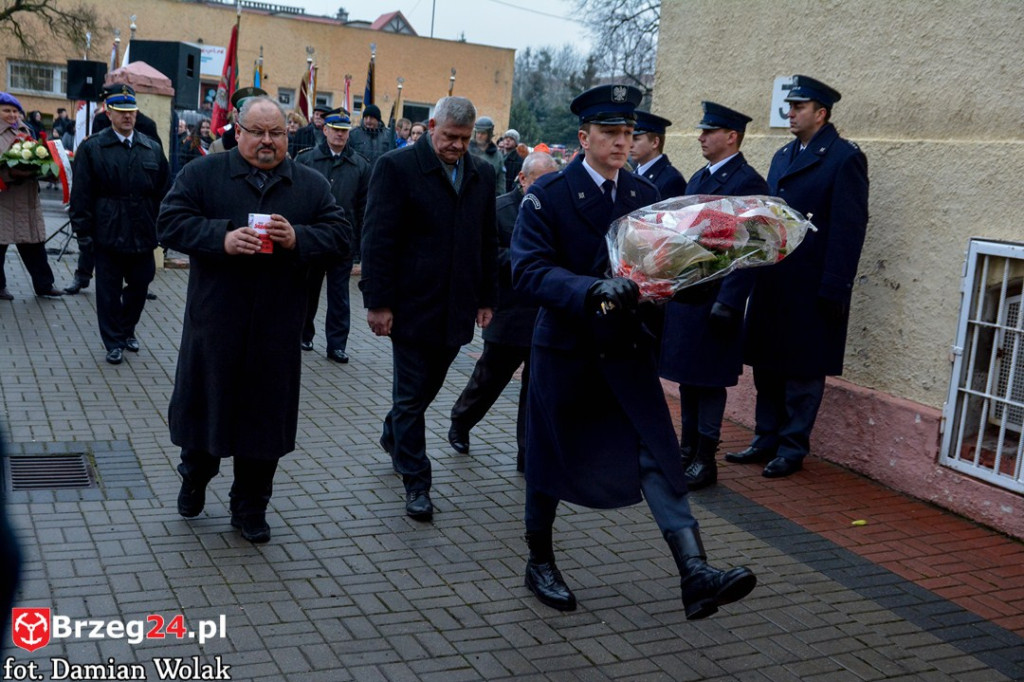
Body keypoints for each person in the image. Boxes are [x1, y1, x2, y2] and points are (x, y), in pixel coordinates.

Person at [510, 84, 756, 617]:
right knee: (549, 461)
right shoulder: (548, 195)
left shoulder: (645, 197)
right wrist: (590, 289)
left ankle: (695, 572)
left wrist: (715, 265)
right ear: (584, 138)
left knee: (656, 454)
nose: (622, 142)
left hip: (626, 350)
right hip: (567, 351)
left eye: (628, 132)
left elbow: (665, 272)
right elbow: (527, 271)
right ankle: (539, 560)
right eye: (610, 132)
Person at [157, 95, 350, 543]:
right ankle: (194, 477)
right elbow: (168, 222)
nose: (267, 141)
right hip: (215, 325)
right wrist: (220, 237)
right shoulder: (203, 173)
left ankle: (250, 506)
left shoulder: (309, 184)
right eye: (258, 132)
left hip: (276, 330)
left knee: (263, 426)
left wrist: (298, 237)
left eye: (277, 133)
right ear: (238, 131)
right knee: (206, 418)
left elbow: (342, 236)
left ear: (288, 135)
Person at [360, 95, 498, 522]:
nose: (458, 145)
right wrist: (378, 302)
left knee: (422, 392)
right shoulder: (396, 168)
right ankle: (417, 482)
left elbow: (487, 240)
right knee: (409, 395)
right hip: (410, 306)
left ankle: (393, 434)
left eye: (465, 139)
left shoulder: (483, 173)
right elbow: (378, 238)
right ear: (433, 125)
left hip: (457, 306)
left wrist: (487, 298)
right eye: (450, 136)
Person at [726, 75, 869, 479]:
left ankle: (792, 447)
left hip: (811, 284)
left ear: (821, 113)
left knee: (803, 373)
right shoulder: (783, 155)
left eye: (799, 107)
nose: (790, 113)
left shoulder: (844, 158)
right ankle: (765, 438)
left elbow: (848, 229)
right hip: (775, 280)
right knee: (768, 365)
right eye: (790, 107)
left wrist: (834, 286)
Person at [660, 101, 769, 490]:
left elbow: (754, 247)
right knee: (689, 380)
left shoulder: (747, 183)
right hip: (689, 296)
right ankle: (687, 450)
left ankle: (705, 459)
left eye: (709, 131)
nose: (701, 137)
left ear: (731, 137)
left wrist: (731, 300)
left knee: (708, 381)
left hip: (717, 301)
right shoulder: (698, 178)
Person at [448, 151, 558, 471]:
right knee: (489, 379)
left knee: (536, 389)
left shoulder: (555, 211)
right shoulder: (499, 209)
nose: (547, 188)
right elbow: (483, 254)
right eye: (540, 181)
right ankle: (461, 421)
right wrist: (522, 259)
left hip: (544, 312)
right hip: (508, 310)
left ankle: (527, 452)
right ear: (522, 179)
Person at [69, 85, 169, 364]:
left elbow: (164, 191)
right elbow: (81, 194)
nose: (127, 116)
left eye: (131, 111)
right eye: (121, 111)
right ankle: (113, 341)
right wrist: (83, 234)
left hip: (142, 231)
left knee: (141, 284)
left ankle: (126, 330)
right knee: (108, 292)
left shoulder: (151, 147)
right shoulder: (93, 147)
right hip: (107, 232)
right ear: (109, 113)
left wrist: (164, 228)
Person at [295, 108, 370, 363]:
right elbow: (297, 200)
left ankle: (337, 345)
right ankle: (304, 334)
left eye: (344, 131)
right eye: (335, 130)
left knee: (339, 296)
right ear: (325, 130)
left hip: (342, 240)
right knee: (308, 290)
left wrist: (359, 243)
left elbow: (364, 206)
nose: (340, 135)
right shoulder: (307, 160)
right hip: (313, 238)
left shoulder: (360, 165)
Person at [0, 92, 65, 301]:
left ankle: (44, 285)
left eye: (15, 111)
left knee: (34, 244)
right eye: (7, 110)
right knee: (0, 244)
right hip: (4, 199)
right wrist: (11, 173)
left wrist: (47, 171)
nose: (12, 115)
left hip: (27, 199)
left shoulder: (26, 129)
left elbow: (38, 156)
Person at [631, 110, 687, 198]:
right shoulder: (632, 174)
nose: (630, 144)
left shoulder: (671, 180)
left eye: (636, 139)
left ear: (655, 142)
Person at [208, 86, 267, 154]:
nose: (251, 117)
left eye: (255, 113)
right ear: (237, 116)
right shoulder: (218, 147)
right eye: (245, 113)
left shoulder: (272, 143)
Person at [468, 115, 505, 195]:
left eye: (483, 133)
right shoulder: (466, 151)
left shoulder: (497, 156)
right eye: (478, 132)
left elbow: (501, 181)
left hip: (488, 196)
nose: (479, 136)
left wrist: (499, 198)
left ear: (489, 134)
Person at [501, 128, 523, 193]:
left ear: (516, 143)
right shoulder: (497, 156)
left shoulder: (519, 160)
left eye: (511, 139)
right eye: (506, 138)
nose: (507, 140)